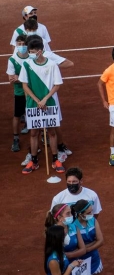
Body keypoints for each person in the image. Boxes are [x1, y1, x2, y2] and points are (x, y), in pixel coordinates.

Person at [18, 37, 64, 174]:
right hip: (33, 104)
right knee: (34, 133)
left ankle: (55, 159)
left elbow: (57, 85)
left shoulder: (52, 65)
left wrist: (44, 99)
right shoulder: (26, 64)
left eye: (32, 51)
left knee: (51, 131)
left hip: (49, 102)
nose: (30, 54)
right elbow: (24, 85)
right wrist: (37, 100)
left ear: (40, 51)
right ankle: (33, 160)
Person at [7, 34, 29, 152]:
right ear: (16, 45)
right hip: (20, 92)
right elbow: (11, 79)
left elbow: (35, 76)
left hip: (32, 92)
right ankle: (15, 139)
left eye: (24, 44)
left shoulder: (32, 58)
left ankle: (42, 135)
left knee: (35, 113)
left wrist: (19, 77)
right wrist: (26, 78)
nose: (21, 46)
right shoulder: (12, 60)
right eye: (19, 44)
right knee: (16, 115)